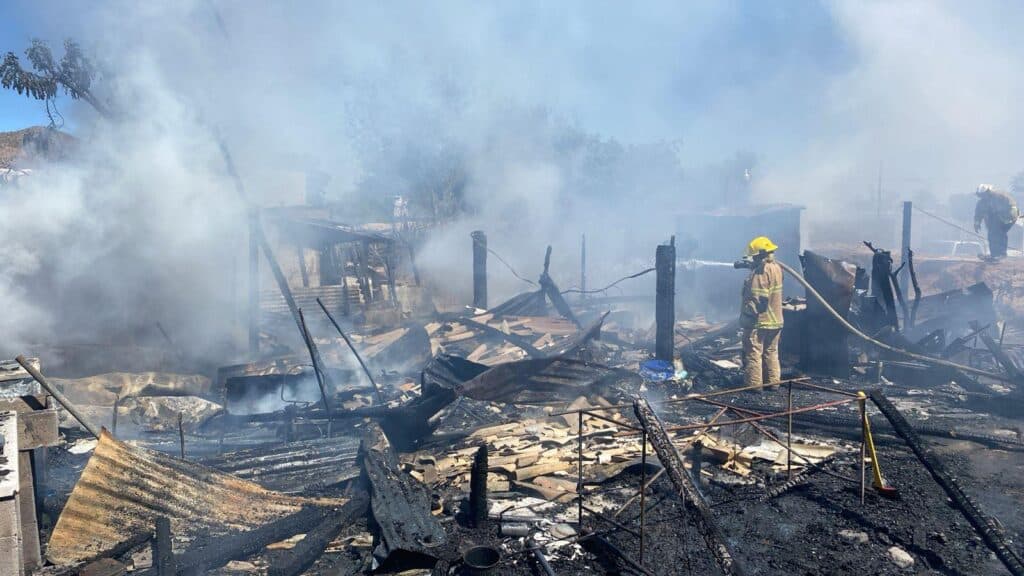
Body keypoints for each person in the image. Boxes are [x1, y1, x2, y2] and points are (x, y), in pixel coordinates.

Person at [740, 236, 784, 390]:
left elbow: (757, 299)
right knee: (771, 352)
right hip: (776, 319)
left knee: (753, 353)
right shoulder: (777, 268)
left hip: (760, 321)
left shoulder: (761, 272)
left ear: (760, 255)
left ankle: (754, 386)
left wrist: (746, 314)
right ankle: (773, 384)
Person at [974, 184, 1019, 259]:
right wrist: (977, 224)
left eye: (984, 194)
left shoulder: (1001, 197)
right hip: (992, 222)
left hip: (1005, 218)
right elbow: (978, 214)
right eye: (981, 195)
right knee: (991, 236)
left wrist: (1011, 217)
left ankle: (1001, 254)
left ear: (989, 192)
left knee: (999, 234)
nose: (983, 197)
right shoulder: (981, 203)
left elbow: (1013, 207)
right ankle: (994, 254)